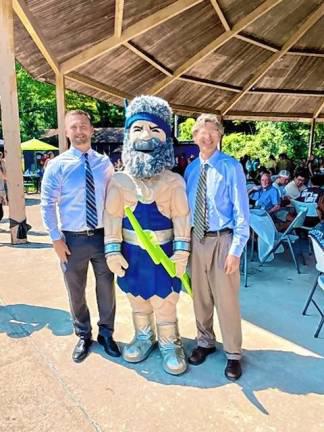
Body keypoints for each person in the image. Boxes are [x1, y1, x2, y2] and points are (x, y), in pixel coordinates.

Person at [104, 96, 191, 375]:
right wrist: (112, 250)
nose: (146, 136)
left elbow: (181, 218)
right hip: (131, 254)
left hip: (164, 253)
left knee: (165, 301)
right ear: (128, 135)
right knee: (136, 299)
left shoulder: (174, 181)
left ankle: (169, 342)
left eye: (155, 130)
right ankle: (144, 336)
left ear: (166, 138)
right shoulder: (118, 181)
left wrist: (182, 251)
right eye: (138, 129)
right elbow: (112, 217)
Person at [41, 110, 120, 363]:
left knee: (106, 288)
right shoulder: (57, 166)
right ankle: (83, 335)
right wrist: (56, 239)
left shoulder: (104, 164)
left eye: (83, 126)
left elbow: (114, 200)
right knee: (76, 291)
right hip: (71, 240)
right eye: (73, 127)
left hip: (101, 236)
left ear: (91, 129)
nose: (79, 131)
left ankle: (107, 334)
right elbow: (47, 204)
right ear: (66, 132)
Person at [184, 114, 249, 381]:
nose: (207, 136)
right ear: (195, 136)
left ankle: (233, 353)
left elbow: (241, 211)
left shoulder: (231, 167)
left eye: (212, 131)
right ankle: (205, 342)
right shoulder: (190, 170)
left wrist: (236, 250)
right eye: (202, 131)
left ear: (220, 135)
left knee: (227, 300)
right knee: (200, 296)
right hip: (196, 239)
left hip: (223, 239)